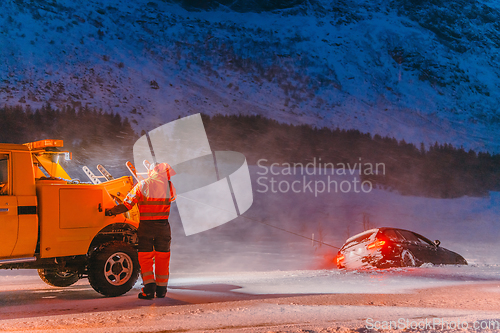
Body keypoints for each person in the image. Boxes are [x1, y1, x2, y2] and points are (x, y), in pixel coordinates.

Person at [105, 162, 176, 299]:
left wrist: (111, 211)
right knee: (163, 257)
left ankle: (148, 289)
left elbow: (127, 205)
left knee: (145, 258)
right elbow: (172, 198)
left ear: (151, 171)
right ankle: (162, 290)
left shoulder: (143, 184)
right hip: (163, 227)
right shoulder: (169, 185)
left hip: (146, 228)